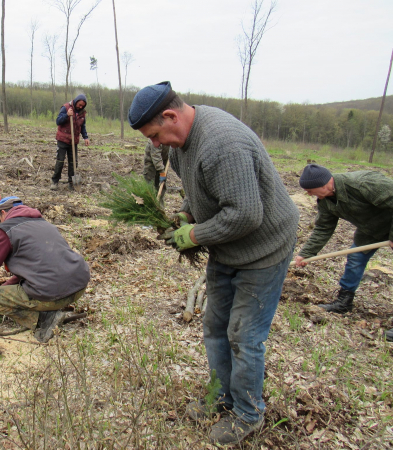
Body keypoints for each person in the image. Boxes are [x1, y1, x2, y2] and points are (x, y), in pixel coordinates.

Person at [128, 81, 299, 445]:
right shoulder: (181, 144)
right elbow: (198, 187)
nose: (155, 145)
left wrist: (194, 236)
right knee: (215, 324)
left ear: (171, 115)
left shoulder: (222, 142)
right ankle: (221, 396)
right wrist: (187, 213)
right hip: (227, 248)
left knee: (244, 335)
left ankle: (248, 414)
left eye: (156, 134)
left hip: (263, 248)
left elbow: (246, 214)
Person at [294, 164, 393, 341]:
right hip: (371, 230)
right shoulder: (326, 200)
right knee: (355, 257)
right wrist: (306, 253)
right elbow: (323, 228)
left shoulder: (363, 184)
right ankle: (344, 302)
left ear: (325, 183)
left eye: (310, 190)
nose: (309, 194)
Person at [0, 196, 90, 343]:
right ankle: (49, 309)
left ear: (3, 213)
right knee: (31, 287)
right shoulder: (44, 224)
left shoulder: (6, 230)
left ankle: (43, 320)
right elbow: (33, 269)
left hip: (52, 294)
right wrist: (5, 288)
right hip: (78, 287)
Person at [50, 94, 90, 191]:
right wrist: (67, 115)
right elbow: (58, 121)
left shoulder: (82, 113)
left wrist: (85, 137)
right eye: (79, 105)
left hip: (74, 140)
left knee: (73, 163)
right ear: (76, 102)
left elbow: (82, 127)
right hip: (63, 139)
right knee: (60, 161)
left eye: (82, 106)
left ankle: (71, 183)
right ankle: (55, 181)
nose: (80, 107)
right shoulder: (66, 108)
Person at [143, 139, 170, 205]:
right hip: (151, 164)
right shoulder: (155, 139)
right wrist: (162, 172)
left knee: (162, 185)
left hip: (163, 162)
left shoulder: (171, 138)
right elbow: (156, 156)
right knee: (150, 186)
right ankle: (149, 207)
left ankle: (160, 207)